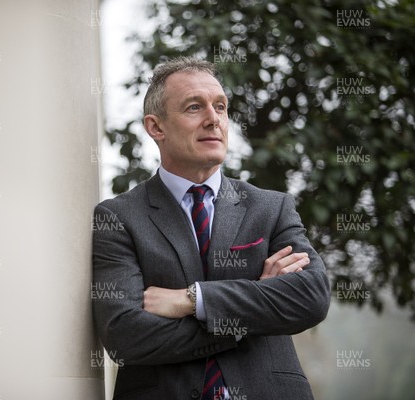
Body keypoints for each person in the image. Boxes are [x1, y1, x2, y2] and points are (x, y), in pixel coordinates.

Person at [91, 57, 330, 400]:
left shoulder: (271, 207)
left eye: (220, 107)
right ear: (156, 127)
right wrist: (254, 308)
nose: (213, 119)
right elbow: (126, 337)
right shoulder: (117, 217)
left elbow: (311, 297)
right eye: (194, 107)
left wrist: (193, 300)